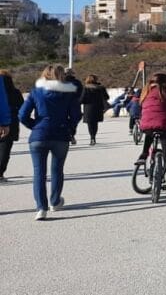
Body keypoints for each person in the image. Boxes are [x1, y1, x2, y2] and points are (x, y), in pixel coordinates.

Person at [18, 65, 81, 220]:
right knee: (57, 170)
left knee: (39, 173)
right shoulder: (69, 93)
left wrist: (35, 126)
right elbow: (76, 115)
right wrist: (69, 127)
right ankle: (55, 201)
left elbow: (22, 115)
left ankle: (41, 208)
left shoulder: (36, 92)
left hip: (39, 135)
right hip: (61, 134)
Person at [135, 73, 166, 200]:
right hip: (165, 125)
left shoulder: (145, 91)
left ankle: (144, 155)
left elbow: (142, 109)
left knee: (149, 132)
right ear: (165, 82)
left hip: (147, 124)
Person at [0, 70, 23, 181]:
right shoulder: (15, 92)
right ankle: (0, 173)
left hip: (6, 121)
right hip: (11, 122)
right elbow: (22, 107)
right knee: (5, 150)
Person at [80, 74, 108, 145]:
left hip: (88, 108)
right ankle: (93, 137)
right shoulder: (101, 88)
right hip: (98, 107)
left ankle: (92, 137)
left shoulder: (85, 88)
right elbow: (106, 97)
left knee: (90, 124)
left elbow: (82, 99)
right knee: (95, 123)